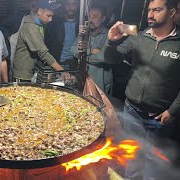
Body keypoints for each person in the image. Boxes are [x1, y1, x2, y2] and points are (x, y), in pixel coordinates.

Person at [104, 0, 180, 179]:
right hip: (132, 111)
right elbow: (110, 59)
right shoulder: (138, 36)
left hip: (160, 117)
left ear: (171, 12)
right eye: (149, 10)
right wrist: (111, 42)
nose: (150, 15)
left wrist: (173, 110)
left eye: (157, 10)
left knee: (154, 161)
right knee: (132, 155)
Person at [13, 0, 69, 82]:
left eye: (52, 16)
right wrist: (63, 72)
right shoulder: (30, 27)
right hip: (23, 75)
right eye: (48, 16)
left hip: (32, 71)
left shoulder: (40, 24)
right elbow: (42, 52)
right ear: (39, 11)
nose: (51, 19)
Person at [72, 6, 113, 94]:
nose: (91, 20)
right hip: (82, 77)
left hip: (99, 80)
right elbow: (73, 49)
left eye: (95, 16)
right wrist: (91, 50)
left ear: (103, 18)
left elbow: (104, 57)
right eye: (89, 16)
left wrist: (84, 56)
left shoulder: (109, 35)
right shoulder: (84, 33)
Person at [45, 0, 79, 67]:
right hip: (57, 63)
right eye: (68, 4)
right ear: (64, 5)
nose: (70, 7)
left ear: (78, 6)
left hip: (75, 64)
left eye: (73, 4)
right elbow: (47, 42)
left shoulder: (81, 23)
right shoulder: (55, 22)